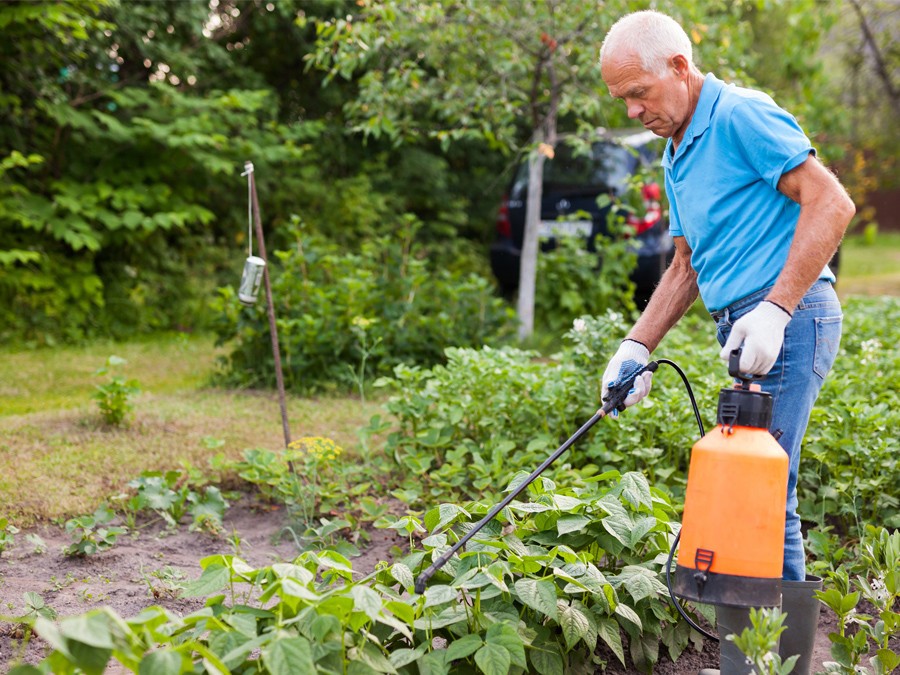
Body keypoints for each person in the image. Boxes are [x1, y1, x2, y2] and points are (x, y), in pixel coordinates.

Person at [598, 10, 855, 675]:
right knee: (755, 491)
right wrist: (636, 346)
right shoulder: (678, 148)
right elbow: (685, 265)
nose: (634, 109)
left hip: (789, 322)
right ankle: (762, 663)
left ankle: (775, 668)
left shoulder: (740, 114)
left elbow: (831, 202)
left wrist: (774, 309)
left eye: (640, 92)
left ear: (680, 68)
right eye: (623, 99)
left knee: (767, 493)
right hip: (746, 327)